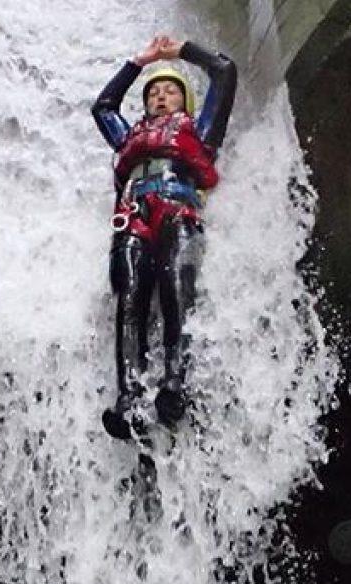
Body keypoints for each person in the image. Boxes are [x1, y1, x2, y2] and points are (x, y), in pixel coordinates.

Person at [92, 34, 237, 440]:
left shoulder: (201, 129)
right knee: (130, 294)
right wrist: (138, 62)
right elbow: (103, 107)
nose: (160, 97)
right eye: (153, 93)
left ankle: (175, 382)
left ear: (185, 101)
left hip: (179, 210)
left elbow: (225, 71)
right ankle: (129, 396)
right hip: (134, 214)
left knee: (176, 286)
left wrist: (180, 52)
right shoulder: (128, 135)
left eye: (171, 91)